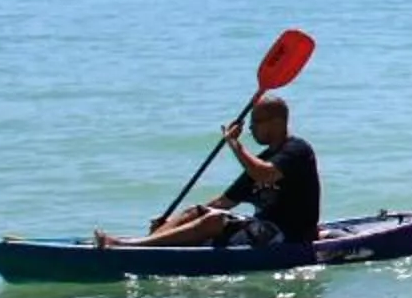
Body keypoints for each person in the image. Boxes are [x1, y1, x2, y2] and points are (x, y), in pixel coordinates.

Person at [98, 98, 323, 250]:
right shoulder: (262, 158)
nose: (252, 129)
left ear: (277, 122)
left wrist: (234, 144)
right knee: (198, 211)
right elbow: (224, 201)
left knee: (214, 220)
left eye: (256, 123)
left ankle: (130, 247)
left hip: (290, 237)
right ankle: (147, 243)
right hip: (260, 230)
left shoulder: (297, 151)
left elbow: (265, 175)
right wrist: (174, 222)